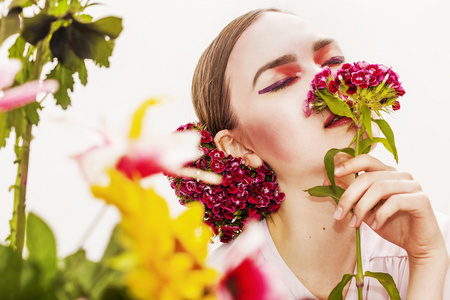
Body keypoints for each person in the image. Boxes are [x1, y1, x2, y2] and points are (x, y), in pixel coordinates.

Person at [191, 8, 450, 300]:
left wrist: (427, 260)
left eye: (333, 61)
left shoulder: (435, 242)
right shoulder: (213, 287)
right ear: (238, 147)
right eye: (283, 81)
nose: (326, 81)